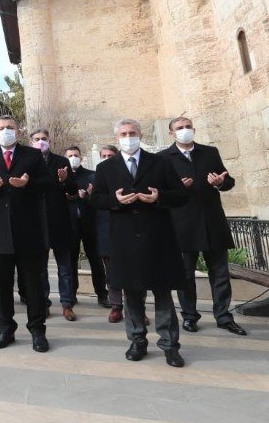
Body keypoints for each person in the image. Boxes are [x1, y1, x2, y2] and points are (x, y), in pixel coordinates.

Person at [90, 118, 189, 368]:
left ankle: (169, 344)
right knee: (132, 294)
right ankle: (137, 341)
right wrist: (114, 200)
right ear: (117, 138)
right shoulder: (106, 168)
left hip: (158, 238)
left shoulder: (161, 162)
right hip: (125, 240)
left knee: (163, 293)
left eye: (132, 132)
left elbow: (180, 195)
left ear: (140, 134)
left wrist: (159, 197)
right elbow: (96, 200)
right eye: (123, 133)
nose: (128, 136)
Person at [0, 116, 53, 352]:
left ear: (17, 131)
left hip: (28, 232)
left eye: (10, 128)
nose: (6, 131)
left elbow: (48, 184)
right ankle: (5, 327)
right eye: (1, 128)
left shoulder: (32, 155)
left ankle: (37, 330)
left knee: (33, 284)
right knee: (1, 284)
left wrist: (27, 184)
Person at [162, 117, 246, 336]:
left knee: (219, 273)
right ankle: (189, 316)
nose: (185, 131)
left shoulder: (210, 152)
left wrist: (220, 182)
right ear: (171, 133)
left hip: (212, 221)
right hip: (183, 225)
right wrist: (178, 189)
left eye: (188, 127)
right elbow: (160, 194)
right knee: (186, 275)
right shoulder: (163, 158)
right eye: (179, 128)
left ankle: (224, 316)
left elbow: (228, 181)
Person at [29, 129, 79, 321]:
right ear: (31, 141)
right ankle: (44, 304)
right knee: (40, 269)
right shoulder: (28, 162)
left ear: (50, 140)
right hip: (36, 222)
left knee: (65, 267)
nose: (40, 142)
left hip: (59, 220)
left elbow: (73, 189)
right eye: (36, 139)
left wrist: (65, 180)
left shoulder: (61, 162)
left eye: (43, 139)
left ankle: (67, 304)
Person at [64, 146, 109, 309]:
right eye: (70, 155)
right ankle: (71, 294)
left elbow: (97, 200)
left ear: (81, 157)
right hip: (70, 226)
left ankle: (102, 294)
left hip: (90, 224)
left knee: (96, 261)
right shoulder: (63, 177)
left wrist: (88, 195)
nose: (73, 158)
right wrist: (72, 197)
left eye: (76, 155)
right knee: (71, 261)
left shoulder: (91, 175)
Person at [95, 145, 126, 323]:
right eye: (104, 155)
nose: (107, 158)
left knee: (135, 270)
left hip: (129, 228)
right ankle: (116, 306)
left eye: (110, 155)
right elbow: (96, 201)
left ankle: (137, 307)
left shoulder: (126, 172)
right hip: (107, 229)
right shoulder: (98, 174)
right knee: (112, 272)